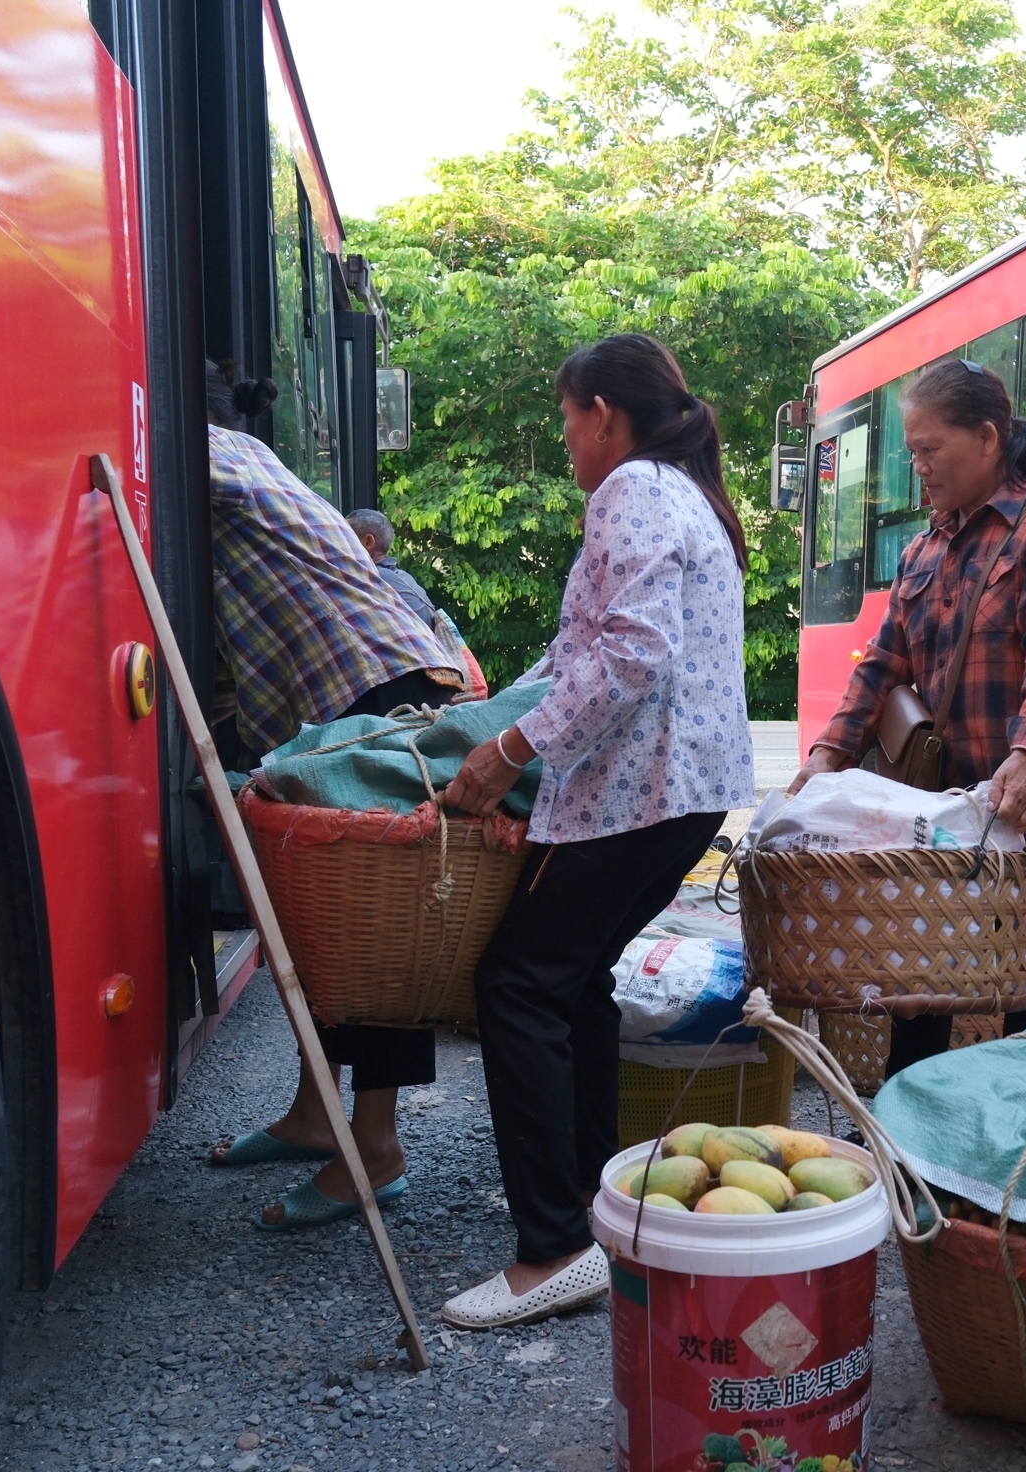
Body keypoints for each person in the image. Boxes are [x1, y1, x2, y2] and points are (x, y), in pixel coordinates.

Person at [434, 333, 755, 1328]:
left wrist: (508, 752)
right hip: (671, 791)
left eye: (566, 418)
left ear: (604, 413)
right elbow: (585, 653)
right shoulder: (679, 492)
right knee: (569, 981)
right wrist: (487, 732)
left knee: (519, 983)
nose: (564, 439)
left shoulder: (633, 491)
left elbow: (631, 657)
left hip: (645, 790)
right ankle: (588, 1199)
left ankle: (552, 1248)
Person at [197, 359, 469, 1229]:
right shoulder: (250, 462)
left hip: (375, 692)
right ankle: (319, 1117)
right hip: (352, 692)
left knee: (377, 933)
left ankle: (377, 1149)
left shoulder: (211, 453)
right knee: (322, 922)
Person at [791, 356, 1026, 1077]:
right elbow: (882, 664)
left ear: (988, 439)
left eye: (930, 450)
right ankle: (913, 1146)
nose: (918, 466)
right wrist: (827, 757)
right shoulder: (925, 546)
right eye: (912, 452)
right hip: (945, 799)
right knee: (921, 981)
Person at [347, 507, 489, 699]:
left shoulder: (371, 579)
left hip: (411, 689)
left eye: (345, 535)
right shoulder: (402, 576)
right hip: (434, 686)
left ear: (368, 542)